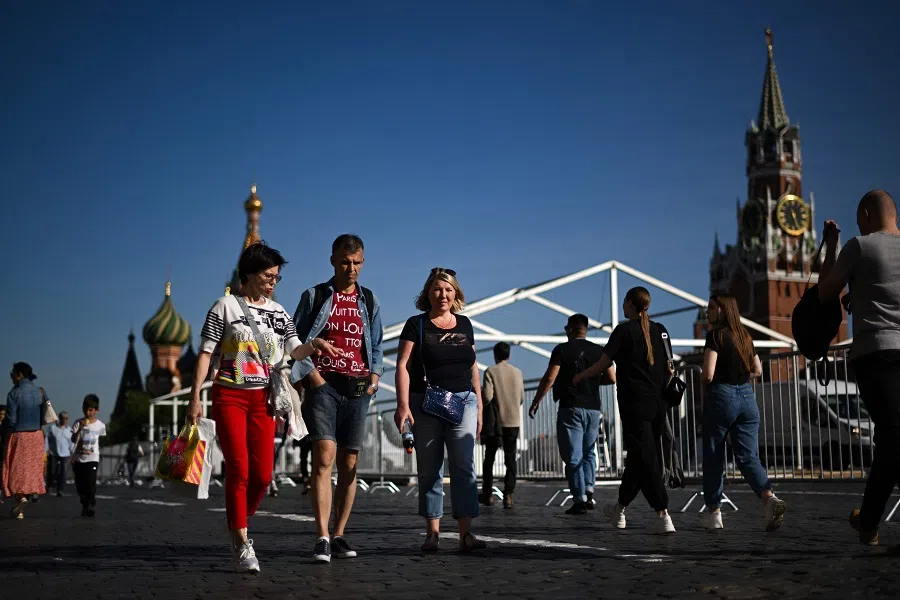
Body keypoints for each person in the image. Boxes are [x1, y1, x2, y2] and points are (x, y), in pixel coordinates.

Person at [188, 241, 338, 573]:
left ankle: (239, 516)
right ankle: (241, 542)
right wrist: (195, 396)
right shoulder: (224, 307)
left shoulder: (278, 312)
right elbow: (206, 353)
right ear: (251, 275)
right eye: (269, 276)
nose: (273, 282)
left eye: (276, 278)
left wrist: (315, 344)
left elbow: (294, 349)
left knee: (262, 475)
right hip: (229, 395)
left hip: (263, 399)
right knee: (239, 469)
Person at [291, 234, 384, 563]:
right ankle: (321, 536)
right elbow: (294, 339)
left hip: (358, 389)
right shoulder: (316, 296)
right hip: (324, 386)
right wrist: (311, 375)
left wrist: (374, 379)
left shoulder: (369, 300)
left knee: (349, 464)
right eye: (345, 262)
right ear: (333, 260)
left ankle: (340, 533)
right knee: (325, 457)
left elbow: (376, 344)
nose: (352, 268)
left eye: (357, 262)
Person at [818, 189, 900, 546]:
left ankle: (867, 520)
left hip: (875, 355)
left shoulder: (860, 246)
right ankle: (867, 520)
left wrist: (832, 244)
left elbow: (825, 292)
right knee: (894, 438)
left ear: (866, 214)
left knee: (893, 439)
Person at [394, 267, 485, 553]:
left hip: (464, 401)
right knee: (429, 469)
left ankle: (465, 534)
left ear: (455, 293)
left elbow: (473, 365)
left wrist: (480, 404)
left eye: (448, 289)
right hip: (426, 403)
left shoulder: (465, 324)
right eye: (437, 289)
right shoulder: (416, 324)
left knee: (464, 466)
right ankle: (432, 533)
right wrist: (403, 405)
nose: (442, 294)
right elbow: (402, 365)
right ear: (428, 293)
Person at [574, 287, 676, 534]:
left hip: (633, 404)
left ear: (630, 304)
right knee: (640, 458)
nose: (622, 306)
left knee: (647, 458)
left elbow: (603, 362)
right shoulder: (661, 330)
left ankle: (662, 514)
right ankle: (619, 509)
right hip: (658, 403)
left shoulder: (623, 331)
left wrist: (582, 376)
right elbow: (670, 366)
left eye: (624, 302)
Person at [701, 295, 787, 531]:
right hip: (748, 399)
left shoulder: (715, 336)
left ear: (722, 310)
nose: (706, 311)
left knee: (714, 455)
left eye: (711, 307)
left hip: (722, 396)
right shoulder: (745, 337)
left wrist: (709, 387)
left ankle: (714, 513)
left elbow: (708, 374)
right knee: (748, 456)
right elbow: (757, 370)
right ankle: (769, 498)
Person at [529, 314, 615, 514]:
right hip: (594, 408)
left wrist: (536, 401)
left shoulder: (562, 349)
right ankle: (589, 491)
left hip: (571, 407)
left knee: (573, 455)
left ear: (570, 329)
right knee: (589, 452)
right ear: (585, 329)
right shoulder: (598, 350)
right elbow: (611, 378)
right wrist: (591, 381)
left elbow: (550, 377)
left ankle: (579, 499)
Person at [479, 342, 525, 509]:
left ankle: (488, 494)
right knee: (510, 458)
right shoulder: (518, 372)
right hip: (513, 421)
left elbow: (488, 396)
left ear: (495, 355)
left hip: (496, 424)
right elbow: (521, 398)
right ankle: (508, 495)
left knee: (489, 459)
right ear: (509, 355)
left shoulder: (491, 371)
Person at [3, 363, 46, 518]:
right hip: (36, 435)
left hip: (19, 435)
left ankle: (20, 498)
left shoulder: (13, 393)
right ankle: (20, 507)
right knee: (31, 470)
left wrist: (5, 429)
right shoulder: (40, 391)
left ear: (19, 375)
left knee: (16, 469)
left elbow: (11, 419)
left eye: (12, 374)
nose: (11, 377)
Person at [71, 394, 105, 517]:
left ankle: (91, 504)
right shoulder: (77, 423)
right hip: (79, 459)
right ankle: (85, 504)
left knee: (91, 483)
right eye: (86, 409)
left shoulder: (100, 425)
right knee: (80, 485)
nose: (88, 412)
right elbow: (73, 439)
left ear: (97, 411)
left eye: (91, 410)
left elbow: (100, 440)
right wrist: (80, 428)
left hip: (93, 458)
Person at [45, 412, 72, 496]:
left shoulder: (69, 430)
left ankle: (60, 490)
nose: (65, 420)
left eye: (66, 418)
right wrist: (45, 450)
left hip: (65, 454)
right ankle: (49, 485)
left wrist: (73, 453)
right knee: (52, 471)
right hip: (54, 453)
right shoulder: (52, 428)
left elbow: (72, 443)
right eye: (63, 418)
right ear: (59, 418)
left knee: (63, 472)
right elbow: (47, 440)